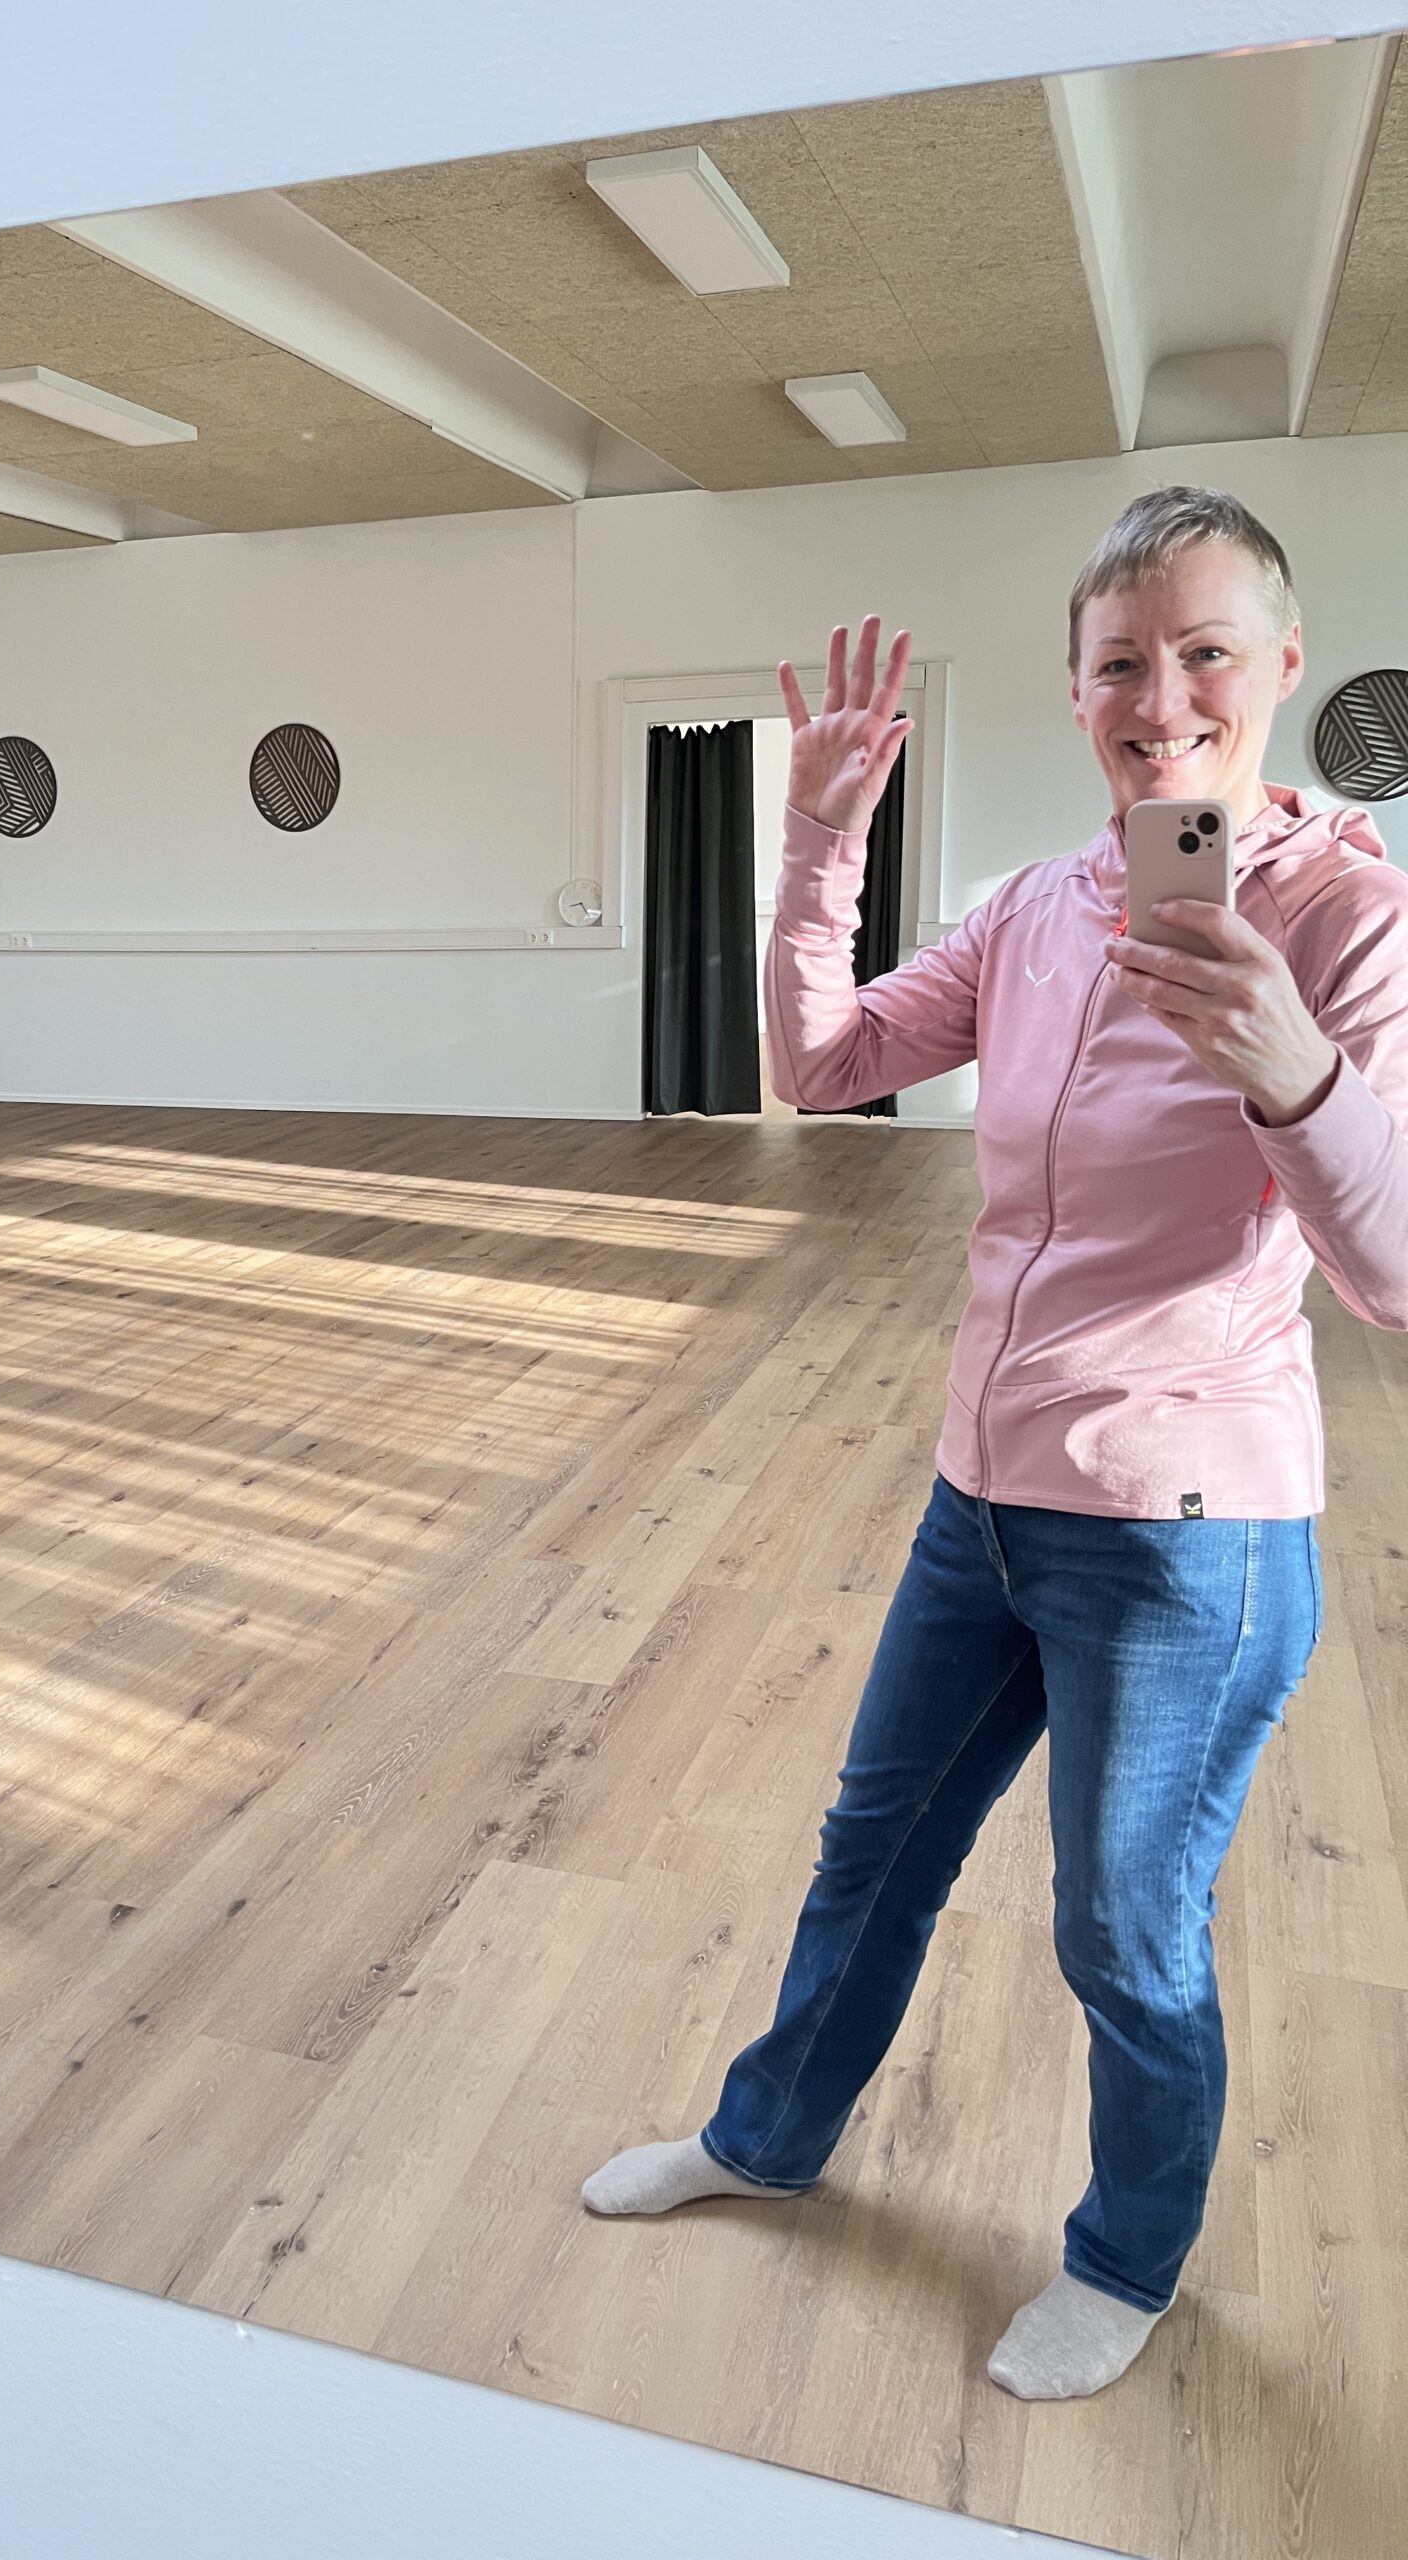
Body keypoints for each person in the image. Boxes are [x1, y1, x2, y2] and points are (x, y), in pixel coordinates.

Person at [582, 486, 1408, 2401]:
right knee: (871, 1856)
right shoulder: (1043, 909)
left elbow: (1391, 1276)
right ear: (1078, 690)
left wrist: (1296, 1072)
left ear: (1283, 666)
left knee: (1122, 1932)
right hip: (986, 1503)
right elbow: (821, 1066)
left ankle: (1128, 2258)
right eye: (1122, 662)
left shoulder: (1347, 921)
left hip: (1187, 1536)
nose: (1162, 697)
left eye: (1205, 652)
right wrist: (819, 844)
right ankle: (765, 2140)